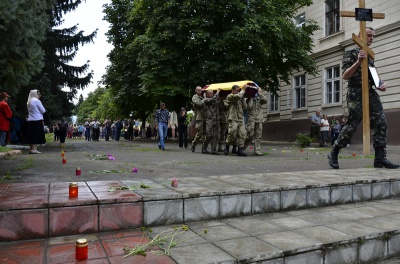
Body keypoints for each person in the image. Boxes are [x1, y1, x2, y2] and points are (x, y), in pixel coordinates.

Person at [328, 27, 399, 169]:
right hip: (356, 92)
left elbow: (373, 76)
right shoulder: (351, 53)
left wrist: (381, 85)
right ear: (360, 36)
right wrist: (358, 62)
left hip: (370, 92)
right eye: (369, 35)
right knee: (352, 124)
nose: (372, 38)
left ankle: (380, 158)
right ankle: (334, 152)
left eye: (373, 36)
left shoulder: (370, 55)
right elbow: (345, 76)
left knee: (381, 122)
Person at [225, 84, 248, 156]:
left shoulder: (240, 96)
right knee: (232, 132)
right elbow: (237, 97)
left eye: (239, 90)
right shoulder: (230, 96)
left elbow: (245, 107)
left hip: (240, 118)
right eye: (237, 90)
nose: (238, 92)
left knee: (243, 133)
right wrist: (243, 90)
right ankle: (227, 146)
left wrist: (243, 98)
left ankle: (240, 150)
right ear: (232, 90)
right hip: (233, 117)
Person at [243, 87, 267, 156]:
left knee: (258, 135)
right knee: (249, 135)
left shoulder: (259, 99)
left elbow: (265, 100)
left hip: (259, 119)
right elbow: (249, 107)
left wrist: (259, 93)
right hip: (251, 119)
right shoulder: (249, 99)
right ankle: (242, 148)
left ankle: (257, 150)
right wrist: (251, 97)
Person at [24, 90, 46, 154]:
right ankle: (34, 149)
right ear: (35, 94)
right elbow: (43, 110)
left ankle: (31, 148)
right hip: (37, 119)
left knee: (31, 134)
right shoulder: (37, 101)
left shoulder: (29, 101)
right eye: (38, 94)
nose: (39, 95)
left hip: (30, 119)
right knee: (35, 134)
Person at [202, 89, 220, 154]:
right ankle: (204, 147)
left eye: (212, 93)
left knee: (216, 135)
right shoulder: (205, 100)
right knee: (209, 135)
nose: (211, 94)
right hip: (209, 119)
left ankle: (213, 150)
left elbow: (220, 103)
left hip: (216, 119)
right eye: (210, 93)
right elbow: (212, 99)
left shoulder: (215, 99)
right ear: (207, 94)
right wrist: (217, 93)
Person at [191, 86, 205, 152]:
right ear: (195, 90)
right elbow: (199, 104)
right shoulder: (195, 97)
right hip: (199, 117)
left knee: (206, 133)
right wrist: (205, 99)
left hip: (206, 117)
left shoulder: (202, 97)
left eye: (201, 90)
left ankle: (204, 147)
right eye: (198, 90)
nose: (200, 91)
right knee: (200, 132)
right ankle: (194, 144)